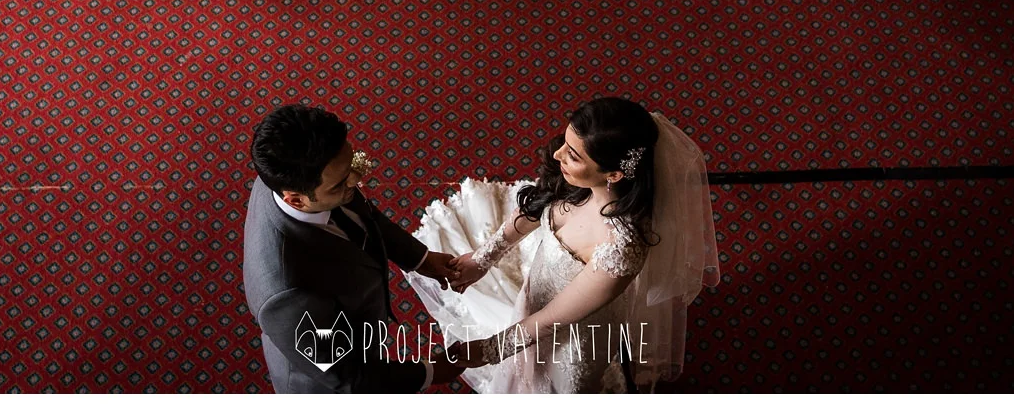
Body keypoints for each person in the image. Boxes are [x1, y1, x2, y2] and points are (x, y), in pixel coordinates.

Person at [409, 97, 719, 392]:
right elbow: (533, 210)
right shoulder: (572, 180)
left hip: (572, 336)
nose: (558, 155)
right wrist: (481, 260)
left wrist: (490, 349)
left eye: (572, 154)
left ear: (613, 173)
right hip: (536, 297)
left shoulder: (621, 249)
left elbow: (552, 320)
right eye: (566, 144)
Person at [242, 105, 462, 393]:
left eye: (352, 165)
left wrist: (421, 260)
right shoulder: (287, 296)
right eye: (341, 183)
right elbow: (348, 377)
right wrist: (432, 371)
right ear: (296, 200)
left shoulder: (305, 176)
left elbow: (363, 216)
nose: (357, 180)